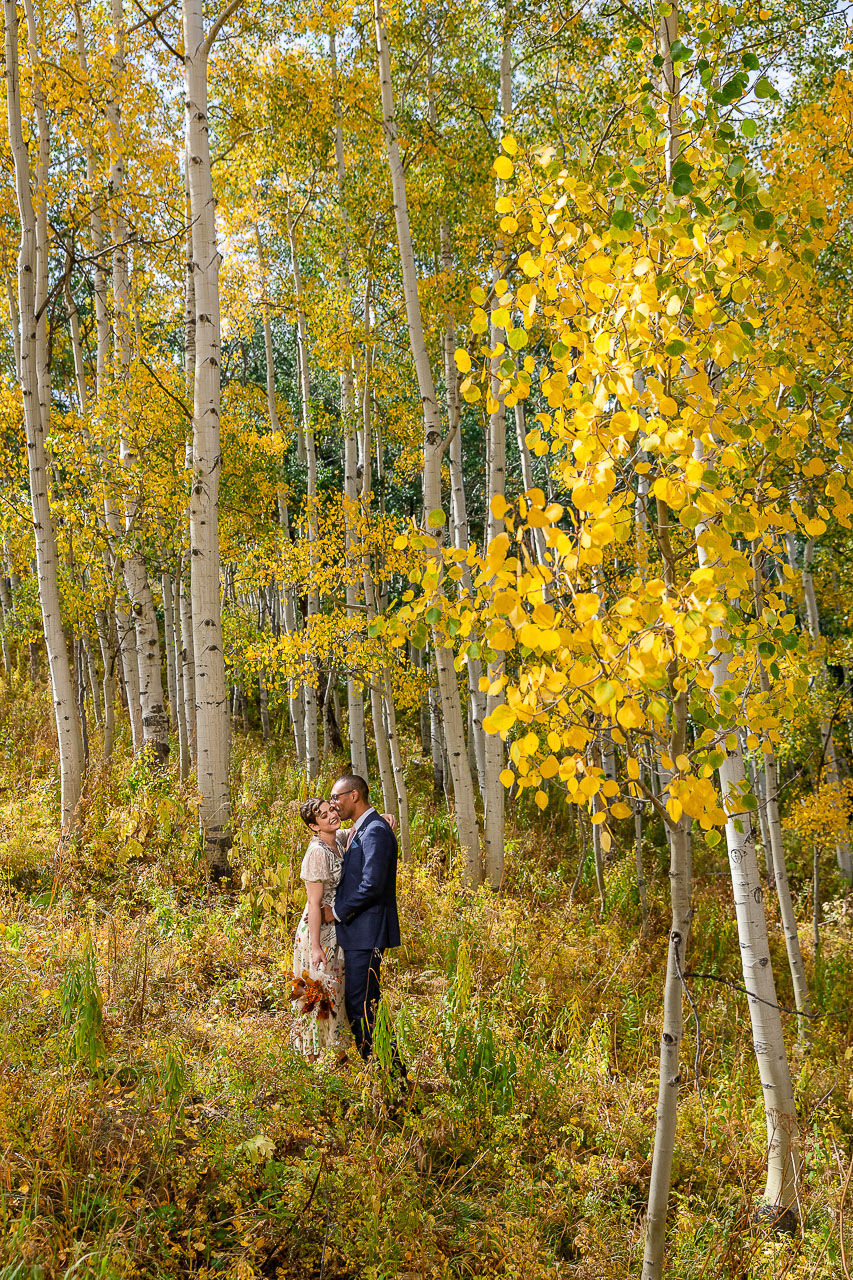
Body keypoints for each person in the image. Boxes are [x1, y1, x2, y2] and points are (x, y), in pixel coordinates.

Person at [324, 774, 404, 1071]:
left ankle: (387, 1075)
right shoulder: (366, 828)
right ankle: (389, 1073)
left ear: (354, 795)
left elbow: (372, 884)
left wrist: (337, 911)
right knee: (365, 1005)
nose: (334, 804)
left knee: (362, 1007)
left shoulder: (374, 832)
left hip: (366, 933)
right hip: (358, 934)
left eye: (337, 797)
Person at [290, 797, 348, 1062]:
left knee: (334, 991)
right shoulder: (317, 852)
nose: (332, 816)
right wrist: (315, 946)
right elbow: (314, 903)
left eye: (332, 809)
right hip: (318, 930)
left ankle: (337, 1054)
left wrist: (384, 818)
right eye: (324, 816)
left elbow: (356, 828)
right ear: (314, 826)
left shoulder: (336, 840)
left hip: (336, 928)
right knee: (317, 993)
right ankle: (311, 1059)